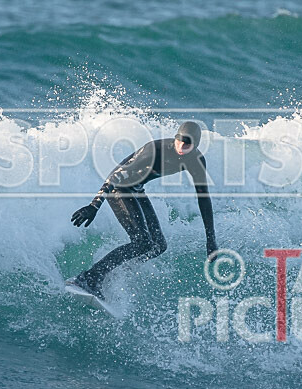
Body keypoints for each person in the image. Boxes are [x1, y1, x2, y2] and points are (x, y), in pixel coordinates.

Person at [67, 121, 217, 299]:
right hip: (119, 188)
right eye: (180, 141)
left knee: (158, 246)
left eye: (188, 144)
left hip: (136, 190)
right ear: (175, 138)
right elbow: (115, 176)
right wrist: (94, 205)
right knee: (142, 242)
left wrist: (211, 240)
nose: (182, 147)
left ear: (196, 146)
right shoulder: (155, 151)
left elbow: (203, 198)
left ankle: (111, 274)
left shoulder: (195, 161)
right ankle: (89, 278)